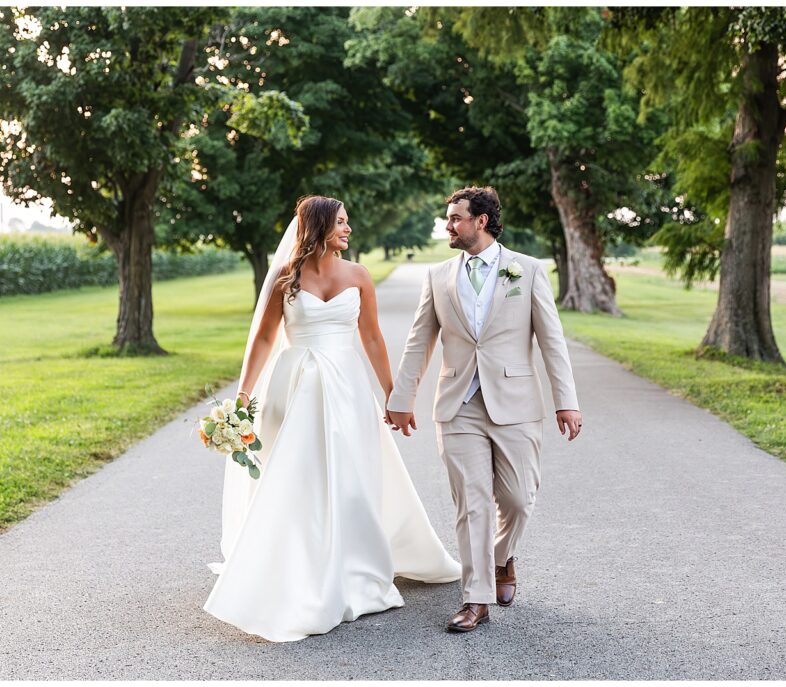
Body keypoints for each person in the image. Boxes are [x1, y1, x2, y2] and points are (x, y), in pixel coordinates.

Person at [204, 195, 461, 642]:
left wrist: (393, 395)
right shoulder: (286, 277)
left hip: (345, 388)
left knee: (351, 476)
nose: (348, 230)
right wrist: (243, 397)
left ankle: (351, 568)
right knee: (296, 477)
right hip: (294, 386)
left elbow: (374, 339)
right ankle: (297, 569)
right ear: (320, 226)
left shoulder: (359, 275)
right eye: (341, 223)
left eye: (348, 222)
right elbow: (265, 339)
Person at [386, 186, 582, 633]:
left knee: (518, 498)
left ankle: (500, 557)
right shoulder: (437, 276)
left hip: (515, 402)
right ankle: (476, 599)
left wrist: (565, 401)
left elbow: (551, 340)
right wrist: (402, 399)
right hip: (457, 404)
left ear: (482, 221)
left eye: (455, 218)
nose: (448, 225)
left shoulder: (526, 270)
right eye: (448, 217)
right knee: (471, 503)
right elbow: (419, 341)